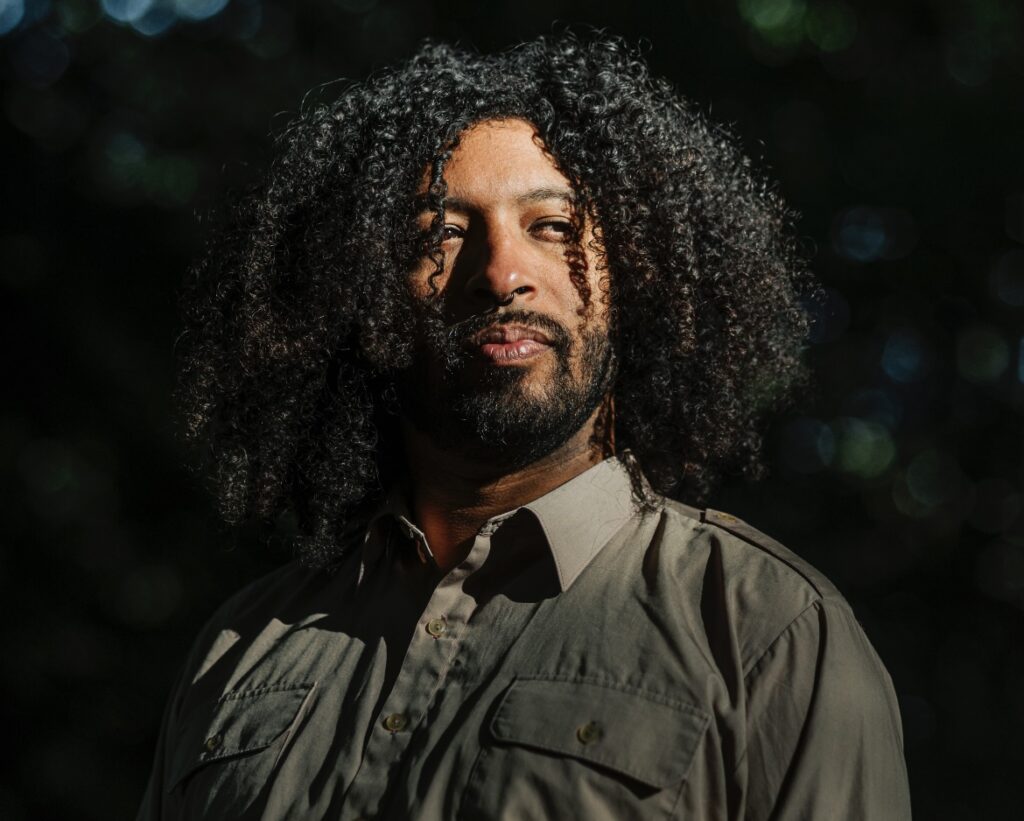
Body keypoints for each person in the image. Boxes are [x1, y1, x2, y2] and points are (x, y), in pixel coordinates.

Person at [138, 33, 911, 820]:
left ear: (633, 271)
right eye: (440, 232)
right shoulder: (242, 648)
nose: (502, 274)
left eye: (554, 226)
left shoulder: (768, 633)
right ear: (363, 289)